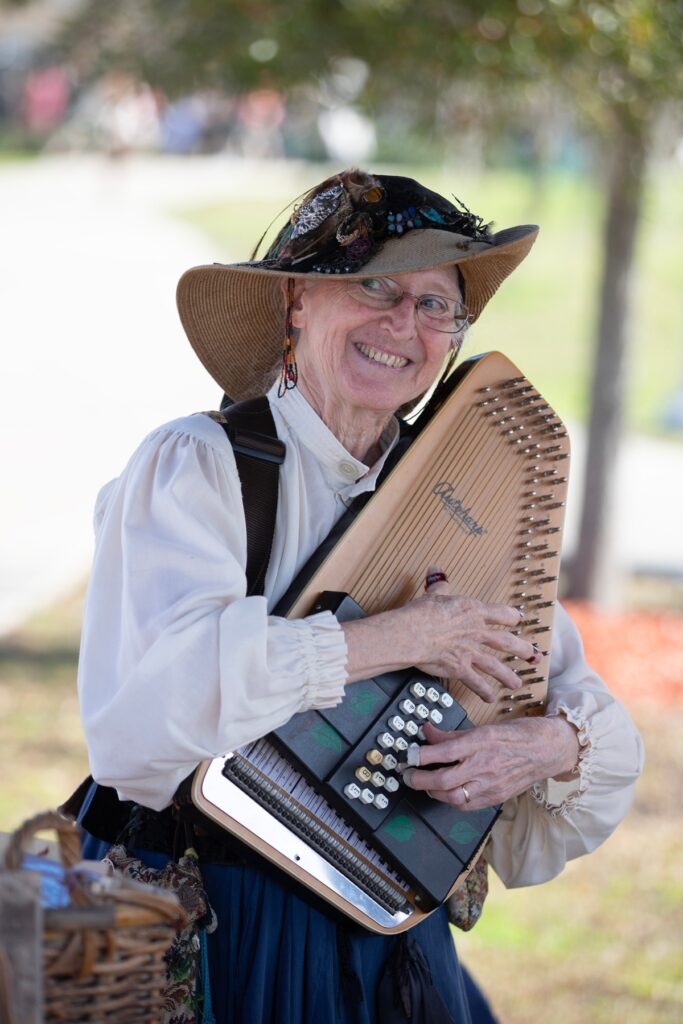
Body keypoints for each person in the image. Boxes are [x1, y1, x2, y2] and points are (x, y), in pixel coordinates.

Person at [76, 169, 643, 1023]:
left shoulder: (460, 498)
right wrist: (396, 637)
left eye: (433, 305)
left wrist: (547, 747)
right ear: (297, 301)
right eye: (373, 286)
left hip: (383, 939)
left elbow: (574, 700)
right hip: (207, 927)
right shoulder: (200, 466)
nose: (401, 325)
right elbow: (146, 720)